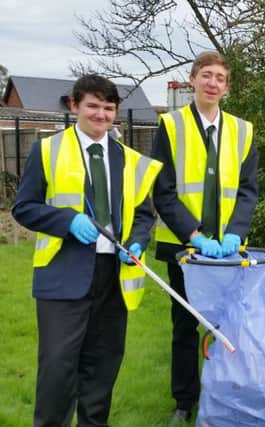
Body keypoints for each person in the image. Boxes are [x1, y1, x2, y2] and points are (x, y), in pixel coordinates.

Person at [12, 74, 162, 426]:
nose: (101, 114)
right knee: (58, 368)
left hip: (113, 278)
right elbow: (24, 207)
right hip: (62, 274)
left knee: (103, 365)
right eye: (93, 106)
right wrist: (66, 221)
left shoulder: (129, 159)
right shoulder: (47, 149)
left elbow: (143, 214)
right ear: (74, 105)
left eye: (108, 108)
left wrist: (139, 240)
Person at [151, 50, 258, 421]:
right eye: (207, 75)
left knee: (230, 326)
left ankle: (226, 396)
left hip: (229, 250)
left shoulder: (243, 131)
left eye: (220, 79)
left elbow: (248, 190)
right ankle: (184, 401)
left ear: (227, 88)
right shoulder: (171, 126)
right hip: (184, 247)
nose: (213, 83)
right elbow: (162, 190)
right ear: (192, 79)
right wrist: (193, 235)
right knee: (184, 326)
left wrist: (236, 233)